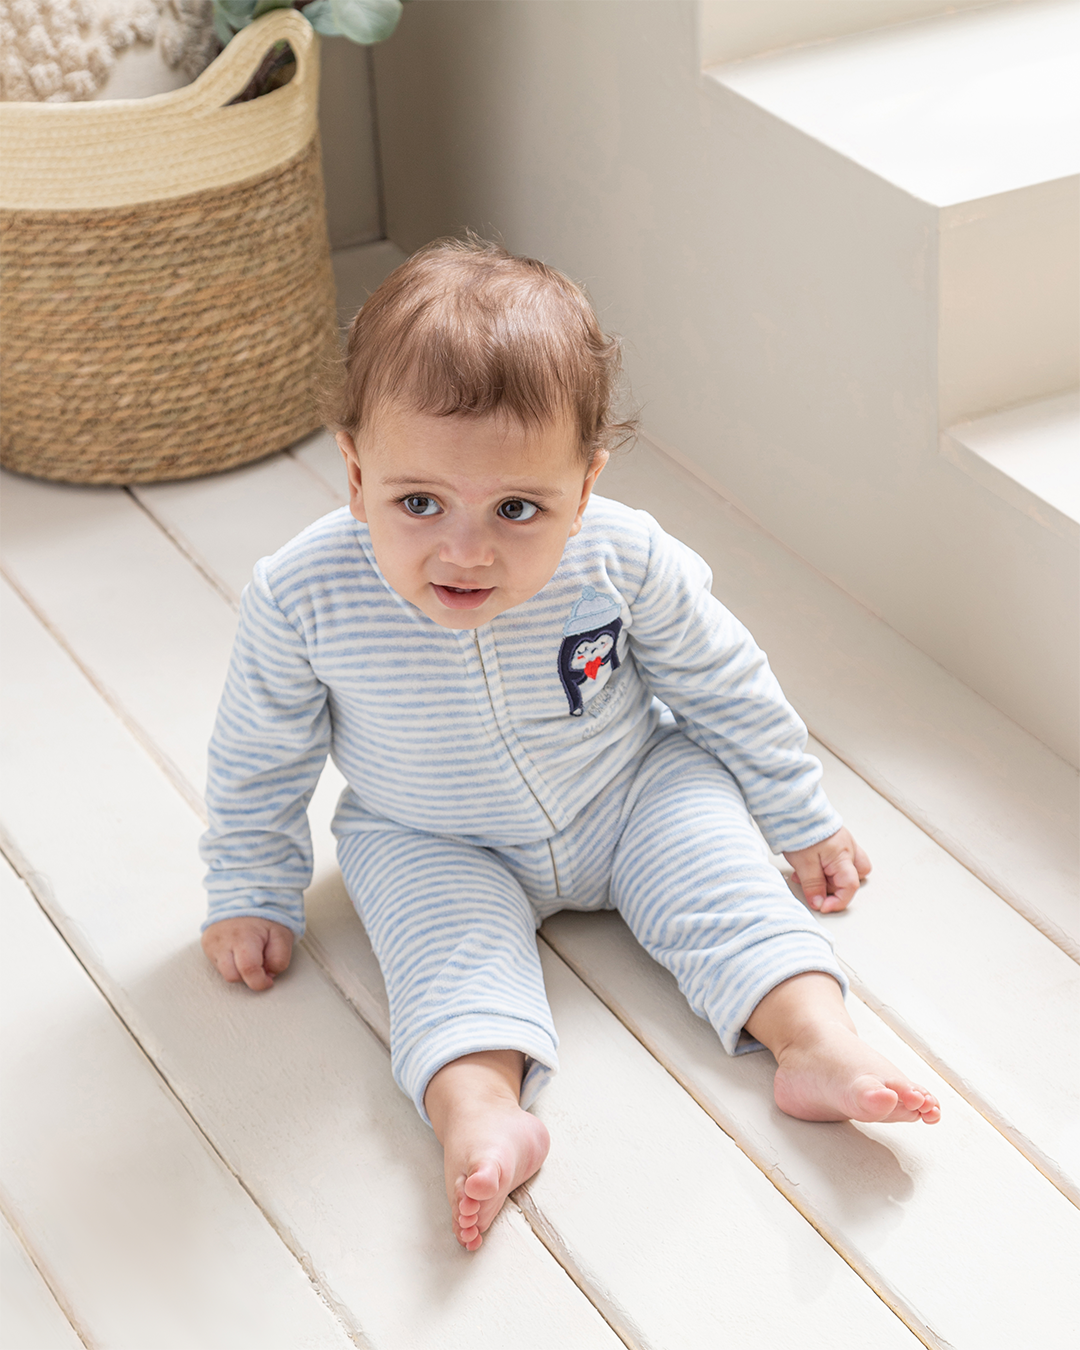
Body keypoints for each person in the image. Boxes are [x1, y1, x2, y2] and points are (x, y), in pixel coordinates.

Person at [200, 237, 940, 1253]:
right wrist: (249, 886)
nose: (466, 549)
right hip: (432, 835)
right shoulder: (303, 595)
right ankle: (481, 1113)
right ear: (357, 473)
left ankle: (816, 1042)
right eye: (418, 503)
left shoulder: (622, 556)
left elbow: (721, 678)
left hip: (630, 791)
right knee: (445, 968)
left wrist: (796, 813)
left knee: (726, 887)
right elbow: (259, 754)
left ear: (583, 487)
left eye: (517, 508)